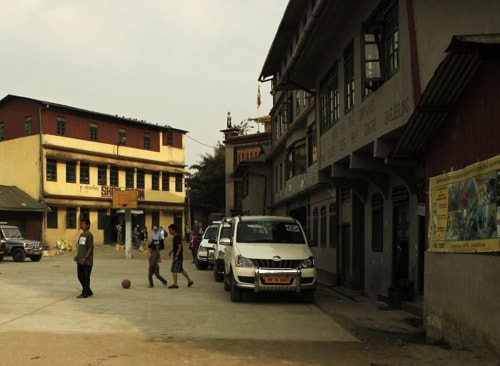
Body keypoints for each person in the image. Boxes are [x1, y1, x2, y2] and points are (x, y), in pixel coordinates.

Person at [167, 223, 194, 288]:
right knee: (181, 270)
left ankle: (175, 284)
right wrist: (171, 251)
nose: (169, 232)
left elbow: (179, 247)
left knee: (174, 270)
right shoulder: (176, 237)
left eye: (170, 230)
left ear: (174, 230)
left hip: (178, 257)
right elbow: (176, 247)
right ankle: (190, 281)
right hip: (179, 256)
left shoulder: (177, 237)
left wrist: (176, 255)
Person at [74, 218, 94, 299]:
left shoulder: (89, 235)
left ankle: (85, 292)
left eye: (83, 224)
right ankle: (88, 290)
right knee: (80, 276)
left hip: (86, 261)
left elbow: (90, 248)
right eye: (81, 224)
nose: (81, 225)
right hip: (80, 259)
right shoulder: (81, 235)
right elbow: (80, 247)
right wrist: (77, 256)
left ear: (88, 225)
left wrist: (85, 258)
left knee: (86, 277)